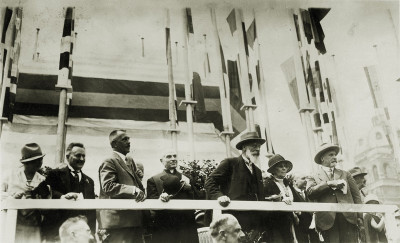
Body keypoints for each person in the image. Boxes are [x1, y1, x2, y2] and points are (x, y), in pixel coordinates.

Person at [205, 131, 265, 232]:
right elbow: (210, 181)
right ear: (244, 147)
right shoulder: (230, 163)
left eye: (259, 146)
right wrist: (219, 196)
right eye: (254, 146)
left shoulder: (257, 171)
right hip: (233, 217)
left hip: (253, 219)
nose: (257, 149)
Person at [40, 142, 96, 242]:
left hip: (80, 236)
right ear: (67, 156)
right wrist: (62, 197)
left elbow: (91, 211)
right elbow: (43, 192)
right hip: (57, 233)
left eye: (84, 156)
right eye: (78, 155)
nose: (82, 159)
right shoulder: (55, 174)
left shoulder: (89, 181)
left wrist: (91, 233)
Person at [307, 143, 362, 243]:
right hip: (327, 222)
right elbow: (310, 193)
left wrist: (359, 217)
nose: (334, 157)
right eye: (330, 155)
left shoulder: (346, 174)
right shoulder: (313, 176)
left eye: (334, 155)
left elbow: (356, 196)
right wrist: (328, 184)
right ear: (322, 158)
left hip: (348, 219)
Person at [98, 129, 146, 243]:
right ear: (114, 144)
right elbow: (108, 186)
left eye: (129, 139)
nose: (129, 142)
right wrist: (133, 190)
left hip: (134, 220)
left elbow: (135, 184)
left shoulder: (129, 160)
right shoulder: (109, 161)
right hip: (118, 223)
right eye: (124, 139)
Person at [146, 149, 199, 243]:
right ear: (161, 161)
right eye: (169, 156)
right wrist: (160, 198)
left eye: (175, 156)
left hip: (186, 225)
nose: (173, 159)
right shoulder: (153, 180)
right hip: (166, 225)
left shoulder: (187, 178)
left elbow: (197, 199)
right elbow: (152, 203)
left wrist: (190, 188)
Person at [1, 143, 47, 243]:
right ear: (26, 162)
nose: (39, 163)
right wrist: (12, 198)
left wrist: (40, 201)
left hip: (34, 226)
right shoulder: (10, 175)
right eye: (35, 161)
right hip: (13, 223)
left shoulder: (42, 180)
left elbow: (47, 203)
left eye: (40, 159)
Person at [263, 154, 296, 243]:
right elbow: (264, 199)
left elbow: (297, 199)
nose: (284, 168)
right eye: (280, 166)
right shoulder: (267, 184)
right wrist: (279, 200)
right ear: (273, 170)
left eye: (285, 166)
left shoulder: (288, 184)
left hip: (291, 222)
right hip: (276, 223)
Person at [290, 173, 320, 243]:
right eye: (303, 178)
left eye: (306, 178)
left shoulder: (309, 192)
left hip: (313, 227)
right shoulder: (291, 193)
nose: (306, 181)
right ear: (295, 181)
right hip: (299, 228)